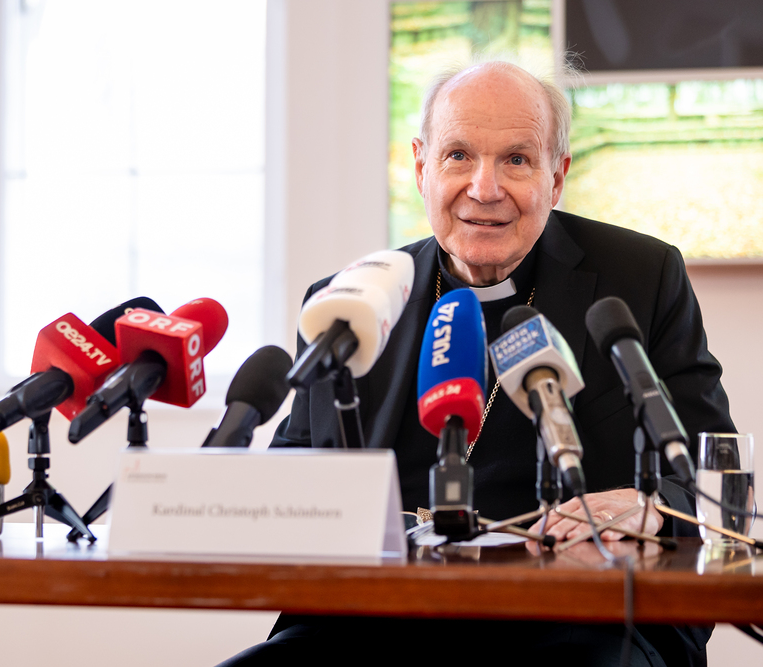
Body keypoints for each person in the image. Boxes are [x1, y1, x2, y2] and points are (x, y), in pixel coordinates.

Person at [218, 60, 733, 667]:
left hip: (578, 618)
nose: (484, 189)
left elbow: (713, 480)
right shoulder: (349, 304)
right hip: (372, 623)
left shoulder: (642, 279)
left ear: (557, 176)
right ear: (422, 167)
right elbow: (291, 484)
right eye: (458, 155)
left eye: (516, 159)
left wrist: (650, 506)